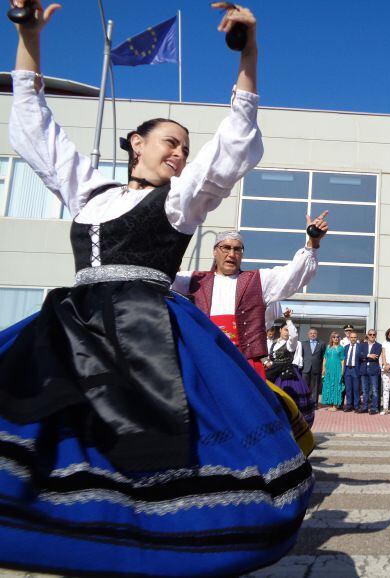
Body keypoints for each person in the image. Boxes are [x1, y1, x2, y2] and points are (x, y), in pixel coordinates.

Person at [0, 4, 313, 576]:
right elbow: (34, 124)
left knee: (150, 441)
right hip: (73, 324)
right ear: (134, 143)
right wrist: (27, 38)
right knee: (57, 428)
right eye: (169, 141)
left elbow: (233, 141)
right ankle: (71, 530)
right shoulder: (90, 191)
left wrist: (249, 53)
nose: (180, 153)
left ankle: (142, 539)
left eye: (184, 148)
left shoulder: (178, 200)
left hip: (147, 331)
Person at [172, 217, 326, 379]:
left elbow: (293, 274)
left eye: (237, 249)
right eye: (226, 248)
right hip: (204, 362)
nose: (232, 254)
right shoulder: (193, 280)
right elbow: (160, 278)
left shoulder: (258, 280)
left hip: (244, 364)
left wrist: (313, 242)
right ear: (214, 251)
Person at [265, 309, 314, 426]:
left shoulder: (290, 344)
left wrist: (288, 320)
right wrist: (267, 362)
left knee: (289, 402)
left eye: (288, 330)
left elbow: (294, 336)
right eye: (285, 330)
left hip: (287, 376)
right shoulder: (273, 344)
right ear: (280, 330)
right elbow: (267, 357)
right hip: (273, 375)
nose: (287, 333)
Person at [358, 329, 382, 414]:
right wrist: (368, 355)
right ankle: (364, 407)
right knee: (365, 390)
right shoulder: (362, 345)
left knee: (374, 390)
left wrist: (365, 356)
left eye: (374, 334)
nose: (372, 336)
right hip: (364, 369)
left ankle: (374, 408)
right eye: (370, 334)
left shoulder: (379, 346)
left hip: (373, 369)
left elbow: (376, 356)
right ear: (367, 335)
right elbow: (359, 355)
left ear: (375, 336)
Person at [301, 327, 326, 408]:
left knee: (315, 387)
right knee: (304, 386)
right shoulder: (303, 344)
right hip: (305, 368)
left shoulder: (322, 344)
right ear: (308, 335)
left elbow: (324, 357)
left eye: (314, 333)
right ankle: (304, 402)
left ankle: (314, 404)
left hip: (316, 368)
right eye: (311, 333)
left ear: (316, 334)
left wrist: (323, 369)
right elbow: (301, 356)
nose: (313, 335)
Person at [321, 332, 345, 410]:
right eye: (334, 337)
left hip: (337, 369)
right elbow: (325, 358)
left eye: (337, 337)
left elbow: (342, 360)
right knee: (328, 385)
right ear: (331, 338)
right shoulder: (328, 347)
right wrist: (323, 369)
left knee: (336, 385)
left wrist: (342, 371)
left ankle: (335, 405)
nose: (336, 338)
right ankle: (331, 404)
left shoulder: (341, 348)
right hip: (328, 369)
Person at [342, 331, 362, 412]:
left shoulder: (360, 347)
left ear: (356, 338)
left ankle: (356, 406)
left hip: (356, 369)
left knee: (356, 389)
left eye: (355, 337)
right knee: (348, 389)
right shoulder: (346, 347)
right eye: (352, 337)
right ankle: (349, 405)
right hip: (347, 370)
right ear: (349, 338)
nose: (353, 339)